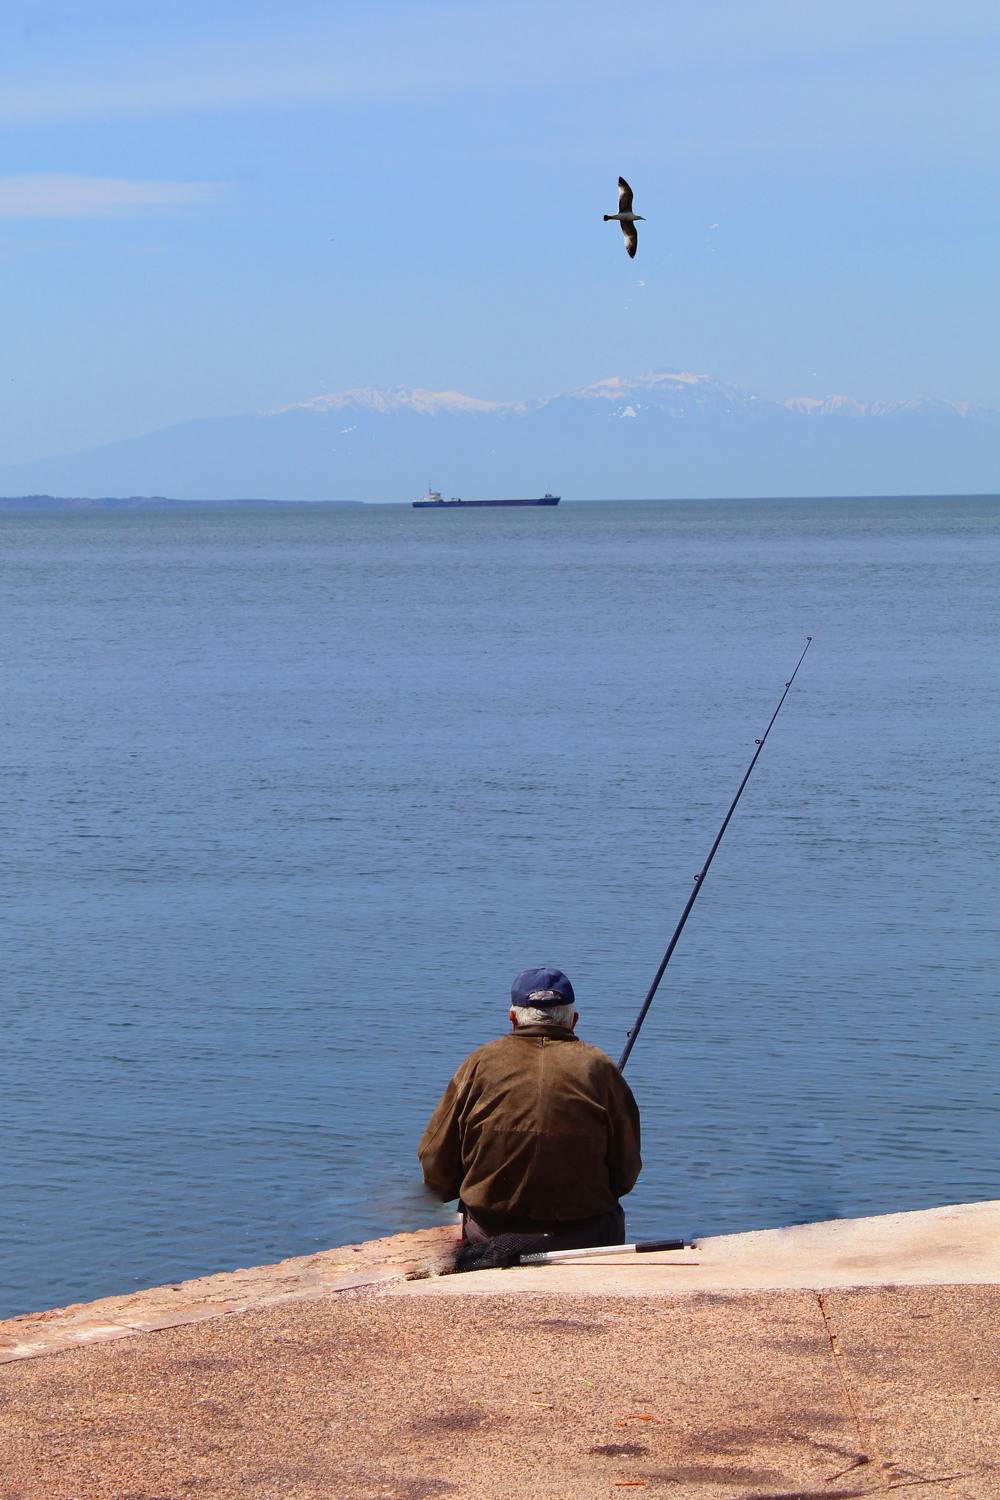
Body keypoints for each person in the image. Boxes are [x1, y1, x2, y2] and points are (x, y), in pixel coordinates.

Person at [418, 966, 641, 1255]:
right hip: (584, 1236)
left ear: (512, 1018)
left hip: (491, 1236)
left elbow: (435, 1162)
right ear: (573, 1020)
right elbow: (626, 1172)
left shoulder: (479, 1064)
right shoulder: (600, 1067)